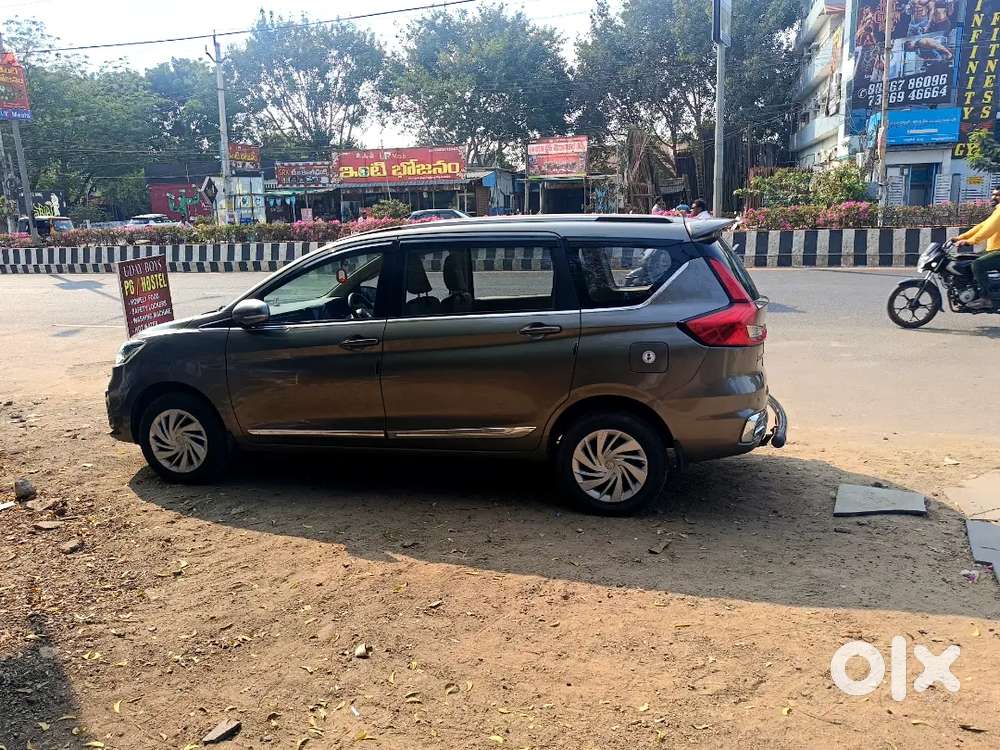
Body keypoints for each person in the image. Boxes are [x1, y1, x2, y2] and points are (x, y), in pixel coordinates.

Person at [953, 187, 1000, 308]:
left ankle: (986, 298)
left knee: (977, 264)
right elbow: (981, 226)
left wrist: (970, 241)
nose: (994, 197)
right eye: (993, 194)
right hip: (994, 250)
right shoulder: (997, 212)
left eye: (998, 195)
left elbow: (988, 231)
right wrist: (960, 237)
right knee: (965, 261)